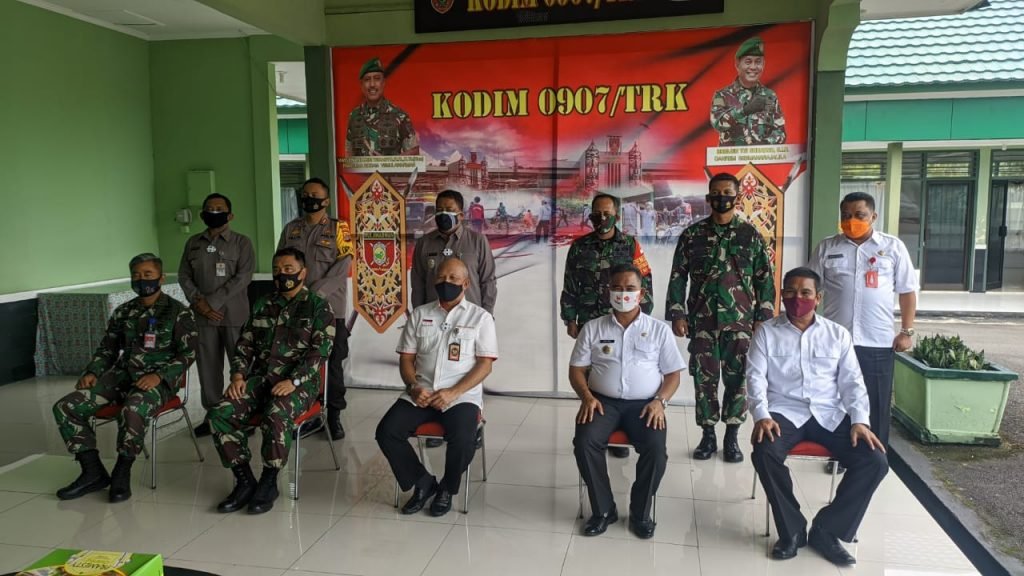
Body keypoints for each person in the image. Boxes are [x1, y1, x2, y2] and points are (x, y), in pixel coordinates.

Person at [747, 267, 888, 566]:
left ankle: (828, 530)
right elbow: (755, 378)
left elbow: (852, 382)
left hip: (829, 412)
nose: (797, 298)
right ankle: (792, 530)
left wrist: (859, 420)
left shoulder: (837, 334)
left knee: (874, 460)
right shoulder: (766, 332)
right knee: (764, 451)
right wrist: (761, 415)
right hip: (784, 412)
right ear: (781, 295)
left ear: (818, 298)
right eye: (790, 291)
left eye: (805, 292)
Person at [52, 254, 196, 503]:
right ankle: (92, 472)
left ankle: (122, 470)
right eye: (136, 275)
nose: (142, 280)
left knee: (133, 408)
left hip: (158, 382)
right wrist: (92, 372)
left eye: (148, 275)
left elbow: (188, 354)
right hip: (121, 377)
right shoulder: (124, 312)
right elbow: (107, 349)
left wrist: (158, 375)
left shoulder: (178, 313)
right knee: (66, 406)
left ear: (161, 278)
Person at [210, 247, 335, 515]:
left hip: (300, 384)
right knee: (220, 412)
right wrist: (238, 375)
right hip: (261, 379)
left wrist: (294, 380)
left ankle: (269, 480)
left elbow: (320, 351)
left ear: (303, 272)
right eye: (277, 270)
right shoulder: (262, 304)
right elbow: (245, 344)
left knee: (276, 413)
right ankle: (244, 480)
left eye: (288, 269)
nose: (282, 275)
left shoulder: (318, 306)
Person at [666, 172, 775, 464]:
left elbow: (764, 278)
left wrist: (763, 317)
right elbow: (678, 276)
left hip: (740, 322)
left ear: (737, 197)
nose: (721, 197)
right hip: (702, 322)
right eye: (716, 192)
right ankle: (708, 435)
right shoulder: (692, 235)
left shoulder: (750, 235)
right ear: (708, 197)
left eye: (727, 192)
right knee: (704, 380)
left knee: (738, 380)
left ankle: (732, 436)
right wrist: (677, 313)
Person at [376, 258, 498, 517]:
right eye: (442, 277)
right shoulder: (420, 315)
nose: (447, 282)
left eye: (454, 278)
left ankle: (446, 489)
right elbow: (406, 359)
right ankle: (423, 483)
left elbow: (485, 365)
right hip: (421, 393)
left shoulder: (481, 318)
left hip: (460, 397)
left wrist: (454, 392)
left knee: (463, 439)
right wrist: (413, 387)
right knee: (387, 431)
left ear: (466, 283)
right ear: (434, 281)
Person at [570, 264, 684, 539]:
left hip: (646, 405)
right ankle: (603, 510)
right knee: (585, 442)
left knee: (655, 450)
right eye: (617, 288)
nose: (623, 294)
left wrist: (660, 402)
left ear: (641, 294)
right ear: (608, 291)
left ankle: (640, 513)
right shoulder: (593, 328)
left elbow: (673, 375)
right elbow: (576, 369)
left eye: (630, 289)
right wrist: (586, 397)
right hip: (601, 402)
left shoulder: (659, 330)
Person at [809, 192, 918, 448]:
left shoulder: (893, 247)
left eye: (859, 215)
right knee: (835, 401)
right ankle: (841, 455)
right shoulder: (827, 247)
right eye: (846, 216)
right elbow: (810, 288)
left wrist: (907, 331)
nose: (851, 221)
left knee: (875, 403)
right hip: (835, 341)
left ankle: (874, 458)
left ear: (873, 216)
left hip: (877, 342)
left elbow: (907, 291)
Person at [562, 193, 655, 458]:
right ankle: (597, 427)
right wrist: (570, 318)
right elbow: (570, 283)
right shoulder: (579, 247)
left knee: (620, 372)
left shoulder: (630, 245)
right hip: (590, 322)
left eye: (607, 213)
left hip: (624, 323)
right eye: (596, 213)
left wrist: (642, 318)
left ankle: (619, 431)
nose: (601, 218)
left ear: (617, 215)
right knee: (592, 376)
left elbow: (645, 281)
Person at [278, 177, 354, 440]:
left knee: (332, 365)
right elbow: (281, 263)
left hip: (330, 309)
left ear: (327, 201)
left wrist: (313, 294)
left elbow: (343, 266)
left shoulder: (339, 229)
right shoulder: (291, 229)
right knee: (301, 362)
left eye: (315, 195)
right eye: (306, 195)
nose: (309, 199)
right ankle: (309, 414)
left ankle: (334, 417)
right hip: (295, 310)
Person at [178, 193, 255, 437]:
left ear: (230, 215)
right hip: (203, 318)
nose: (214, 212)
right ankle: (213, 416)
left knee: (240, 366)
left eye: (219, 208)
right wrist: (199, 303)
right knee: (208, 369)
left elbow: (243, 277)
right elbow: (184, 276)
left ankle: (242, 414)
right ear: (202, 214)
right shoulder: (193, 243)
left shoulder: (242, 243)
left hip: (233, 316)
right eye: (209, 208)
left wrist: (211, 302)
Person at [411, 189, 496, 314]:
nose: (443, 214)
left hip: (470, 317)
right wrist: (418, 316)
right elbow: (418, 284)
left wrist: (487, 316)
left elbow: (488, 281)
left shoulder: (478, 241)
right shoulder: (424, 243)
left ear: (461, 215)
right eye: (439, 210)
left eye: (449, 210)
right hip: (433, 316)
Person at [710, 36, 786, 146]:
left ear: (763, 64)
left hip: (762, 157)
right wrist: (744, 110)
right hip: (732, 157)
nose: (753, 67)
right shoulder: (722, 96)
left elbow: (780, 133)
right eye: (748, 62)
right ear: (737, 64)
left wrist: (764, 144)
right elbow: (717, 123)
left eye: (758, 62)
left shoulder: (770, 96)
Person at [345, 57, 419, 157]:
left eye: (377, 79)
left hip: (391, 168)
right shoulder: (354, 116)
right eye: (367, 79)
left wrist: (388, 162)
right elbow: (349, 155)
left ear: (383, 83)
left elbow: (414, 152)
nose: (372, 84)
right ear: (361, 85)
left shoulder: (399, 115)